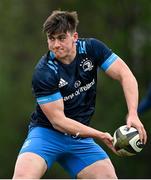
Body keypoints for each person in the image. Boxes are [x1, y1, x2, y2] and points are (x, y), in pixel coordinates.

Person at [12, 10, 147, 179]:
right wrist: (98, 134)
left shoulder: (92, 49)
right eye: (51, 38)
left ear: (74, 37)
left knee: (108, 177)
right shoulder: (44, 72)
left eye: (61, 38)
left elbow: (125, 75)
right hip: (46, 134)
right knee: (23, 177)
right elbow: (58, 122)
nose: (55, 45)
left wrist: (133, 113)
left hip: (79, 139)